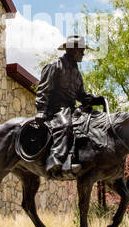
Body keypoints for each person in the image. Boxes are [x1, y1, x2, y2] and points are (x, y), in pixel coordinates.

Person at [35, 35, 106, 176]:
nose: (83, 53)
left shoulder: (76, 72)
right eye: (81, 50)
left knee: (89, 122)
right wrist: (41, 110)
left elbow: (81, 95)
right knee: (65, 124)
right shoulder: (55, 65)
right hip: (55, 109)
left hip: (71, 108)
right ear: (73, 50)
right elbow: (43, 89)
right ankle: (54, 160)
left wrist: (96, 100)